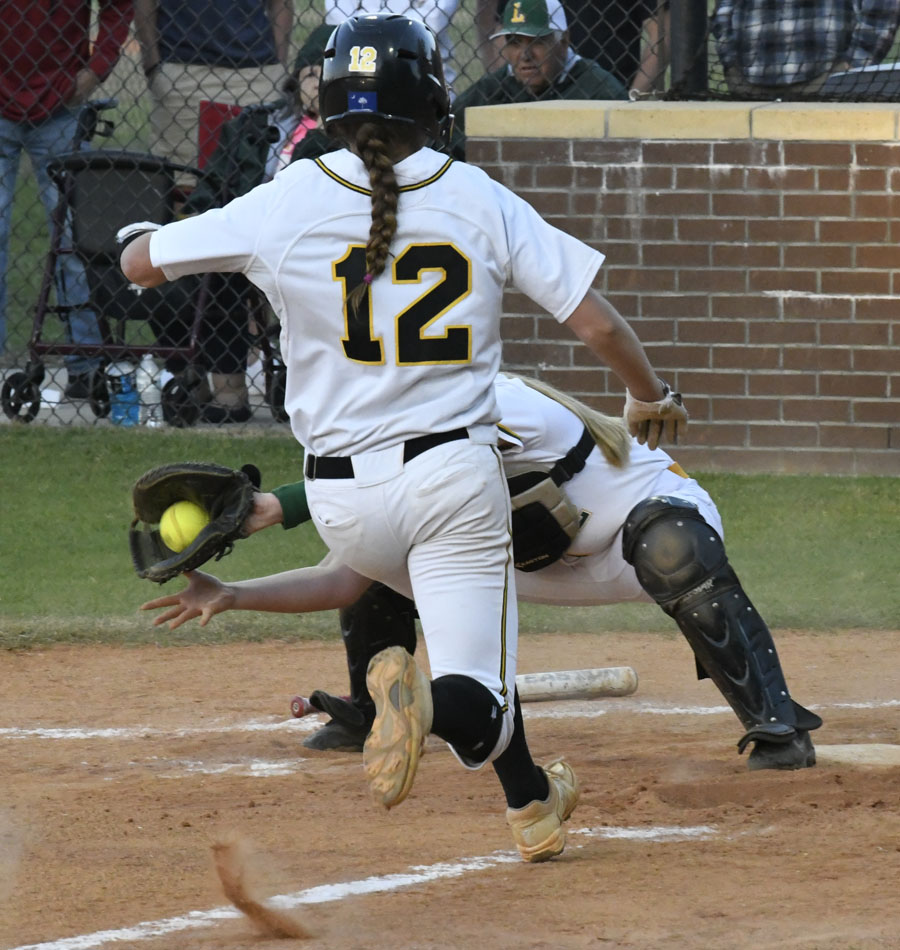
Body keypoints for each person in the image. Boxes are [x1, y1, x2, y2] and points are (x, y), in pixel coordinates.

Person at [121, 13, 684, 862]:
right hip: (452, 483)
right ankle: (417, 705)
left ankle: (532, 807)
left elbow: (139, 266)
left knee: (471, 650)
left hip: (343, 502)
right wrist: (650, 395)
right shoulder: (474, 193)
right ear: (431, 100)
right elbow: (598, 327)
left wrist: (140, 239)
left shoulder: (290, 196)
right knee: (473, 695)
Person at [144, 372, 821, 773]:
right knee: (381, 550)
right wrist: (230, 595)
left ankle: (776, 725)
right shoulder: (409, 438)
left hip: (620, 539)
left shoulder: (488, 399)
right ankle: (373, 714)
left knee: (674, 546)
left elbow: (434, 443)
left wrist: (273, 507)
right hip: (522, 556)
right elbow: (344, 579)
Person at [149, 24, 336, 424]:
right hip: (244, 234)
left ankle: (243, 383)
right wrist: (197, 226)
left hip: (308, 241)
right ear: (295, 79)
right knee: (197, 270)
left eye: (330, 76)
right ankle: (218, 384)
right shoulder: (256, 126)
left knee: (235, 274)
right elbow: (212, 186)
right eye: (311, 74)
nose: (319, 85)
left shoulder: (350, 136)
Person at [0, 0, 132, 395]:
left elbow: (117, 8)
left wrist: (94, 72)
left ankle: (85, 363)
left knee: (75, 238)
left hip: (62, 103)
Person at [450, 0, 628, 160]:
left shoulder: (599, 90)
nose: (525, 55)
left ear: (564, 41)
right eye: (514, 42)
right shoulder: (489, 90)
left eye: (537, 41)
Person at [134, 0, 293, 177]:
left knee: (258, 178)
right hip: (183, 68)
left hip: (257, 71)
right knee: (181, 180)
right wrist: (154, 64)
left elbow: (281, 3)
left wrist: (279, 63)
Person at [711, 0, 900, 98]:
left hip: (830, 78)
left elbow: (883, 7)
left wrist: (854, 65)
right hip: (748, 78)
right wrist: (731, 61)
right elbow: (724, 7)